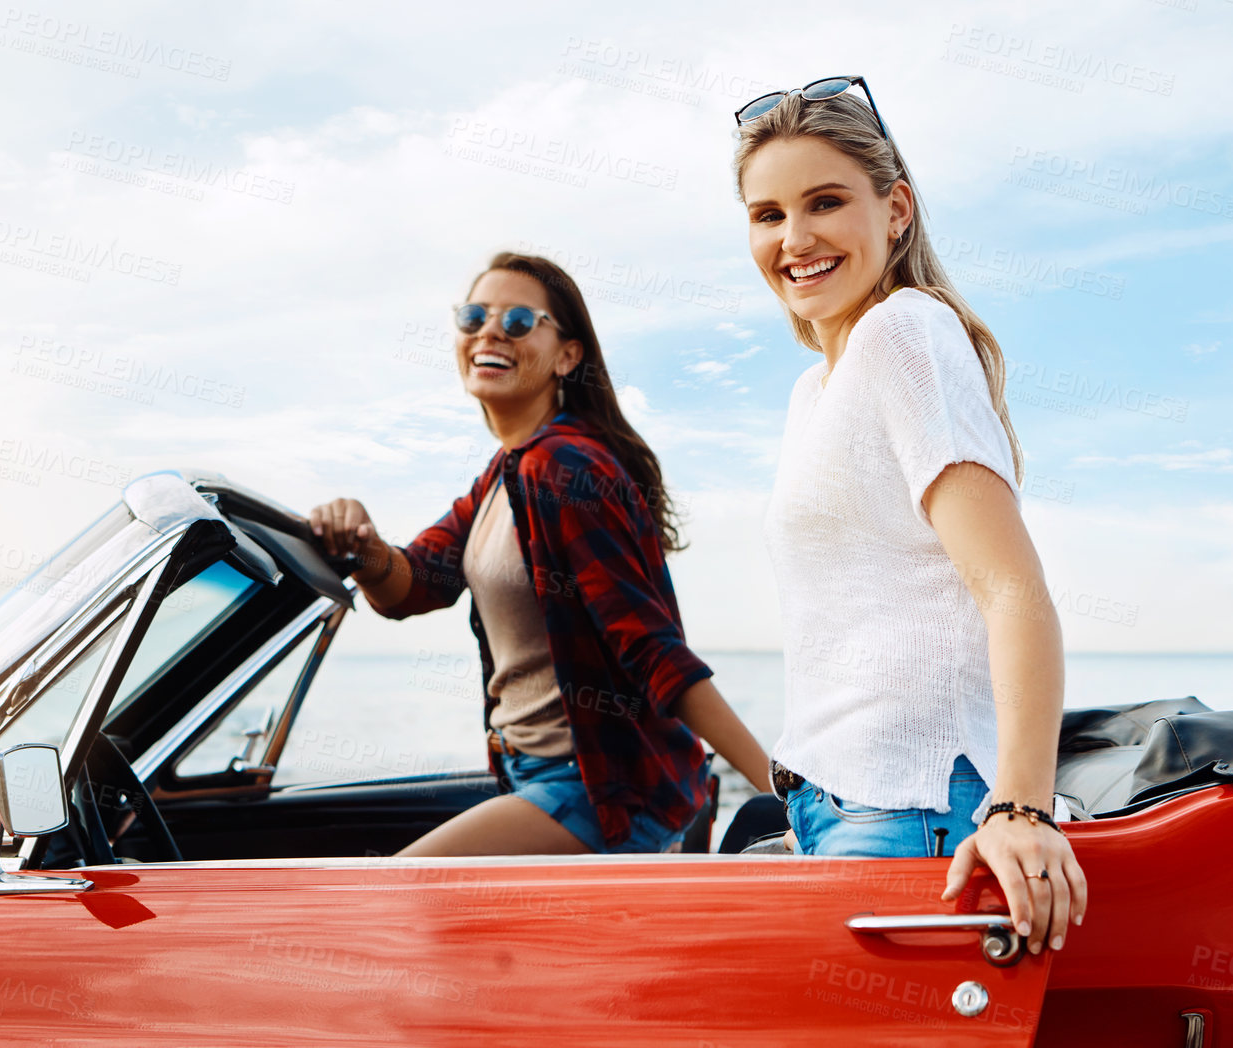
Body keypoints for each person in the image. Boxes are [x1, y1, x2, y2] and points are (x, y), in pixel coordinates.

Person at [732, 77, 1087, 953]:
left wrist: (1020, 808)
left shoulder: (907, 334)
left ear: (895, 211)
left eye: (824, 203)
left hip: (911, 806)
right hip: (827, 803)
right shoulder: (812, 392)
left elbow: (1012, 589)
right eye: (768, 214)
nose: (796, 238)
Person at [309, 251, 772, 856]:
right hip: (538, 778)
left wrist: (783, 790)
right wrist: (361, 545)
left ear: (567, 355)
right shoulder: (505, 476)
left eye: (520, 321)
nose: (490, 331)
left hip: (600, 792)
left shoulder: (564, 468)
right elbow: (416, 584)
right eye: (474, 316)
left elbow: (650, 649)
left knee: (386, 898)